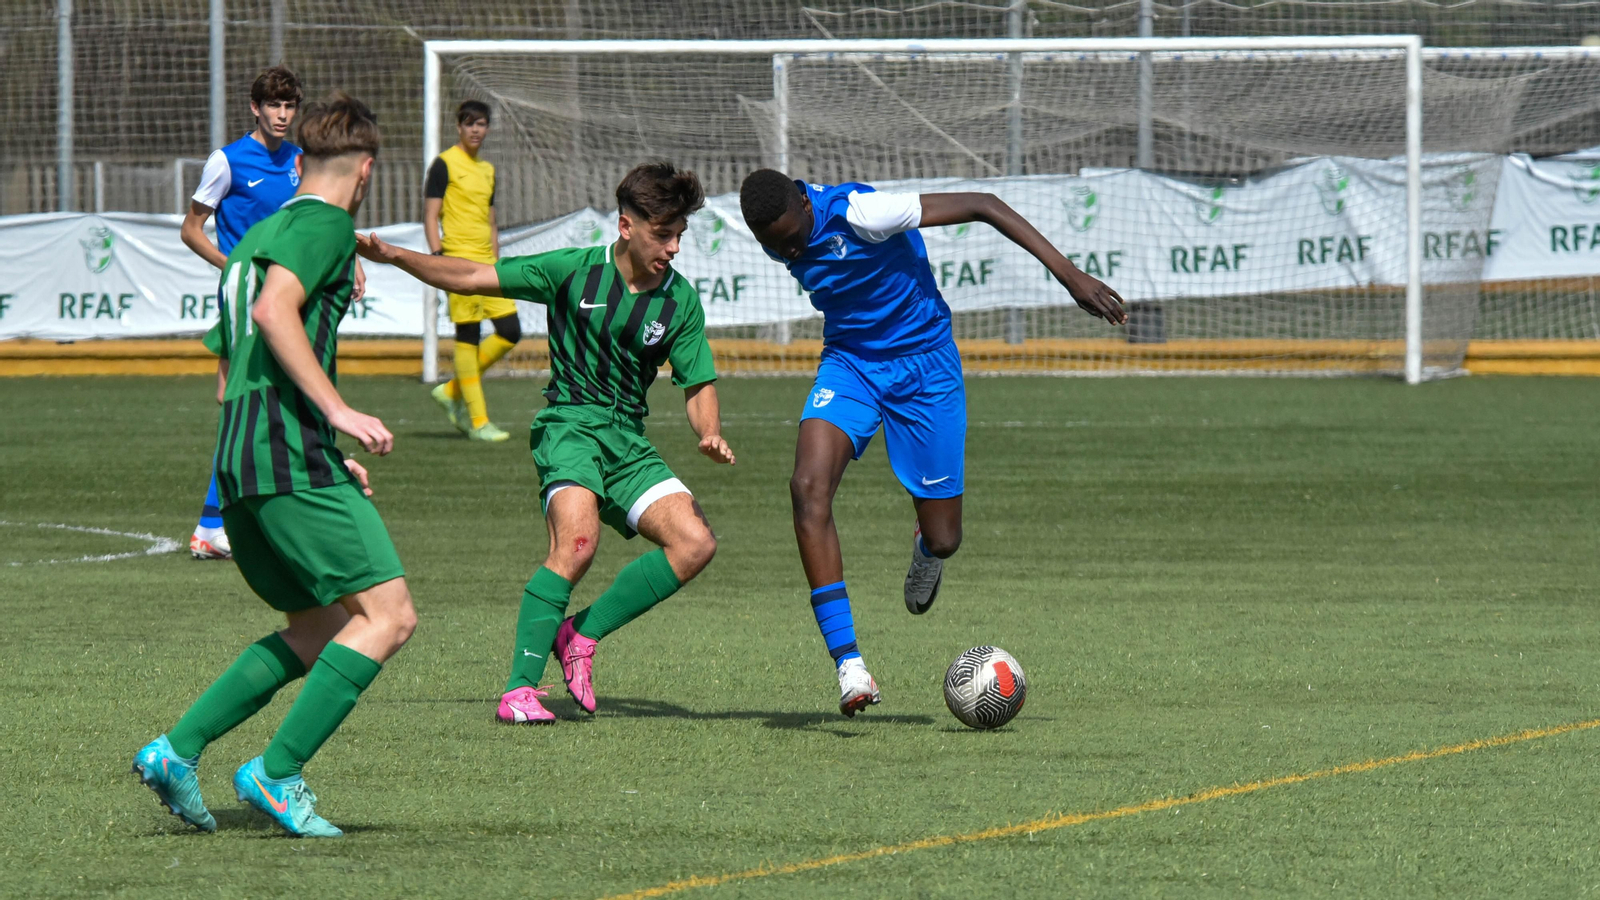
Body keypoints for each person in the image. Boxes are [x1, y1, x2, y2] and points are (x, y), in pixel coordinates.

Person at [737, 169, 1126, 716]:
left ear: (805, 202)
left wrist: (1069, 276)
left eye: (794, 238)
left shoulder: (862, 214)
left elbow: (983, 204)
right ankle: (850, 667)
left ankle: (926, 545)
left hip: (925, 366)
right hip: (850, 364)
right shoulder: (781, 229)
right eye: (774, 245)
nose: (790, 249)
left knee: (946, 539)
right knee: (807, 489)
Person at [357, 162, 733, 724]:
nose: (674, 247)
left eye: (680, 235)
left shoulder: (679, 301)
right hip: (569, 426)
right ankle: (518, 691)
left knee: (695, 543)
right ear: (627, 226)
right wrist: (398, 258)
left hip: (627, 440)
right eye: (663, 233)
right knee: (577, 543)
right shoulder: (573, 271)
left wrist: (708, 431)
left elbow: (697, 381)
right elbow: (471, 277)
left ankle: (580, 634)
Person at [133, 93, 416, 838]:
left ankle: (176, 749)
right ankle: (278, 772)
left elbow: (237, 359)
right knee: (389, 617)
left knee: (321, 627)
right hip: (287, 454)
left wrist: (307, 446)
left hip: (244, 458)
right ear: (365, 170)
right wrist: (336, 417)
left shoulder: (259, 236)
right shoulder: (327, 225)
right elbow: (274, 315)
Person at [180, 66, 304, 560]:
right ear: (255, 108)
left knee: (257, 407)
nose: (281, 114)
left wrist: (350, 259)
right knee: (247, 405)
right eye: (273, 105)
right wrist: (233, 265)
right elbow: (191, 229)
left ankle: (219, 523)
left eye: (289, 106)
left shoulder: (300, 161)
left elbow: (312, 220)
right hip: (245, 298)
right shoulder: (227, 161)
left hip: (286, 296)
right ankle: (216, 525)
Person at [424, 99, 516, 442]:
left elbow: (491, 221)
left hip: (487, 263)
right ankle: (478, 421)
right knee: (468, 335)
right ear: (459, 127)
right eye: (469, 123)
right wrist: (437, 257)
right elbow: (430, 215)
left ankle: (451, 391)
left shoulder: (488, 170)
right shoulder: (444, 164)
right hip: (457, 260)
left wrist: (496, 258)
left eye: (481, 124)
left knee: (510, 330)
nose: (475, 130)